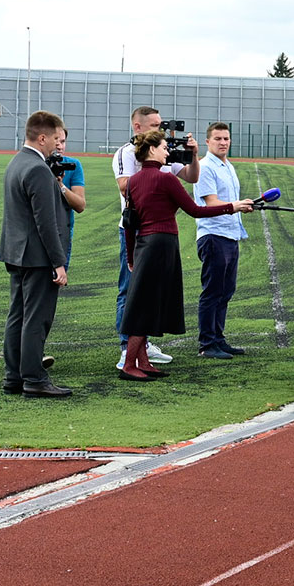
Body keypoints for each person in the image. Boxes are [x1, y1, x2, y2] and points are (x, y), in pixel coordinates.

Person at [119, 130, 251, 382]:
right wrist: (232, 206)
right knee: (145, 305)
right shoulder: (166, 179)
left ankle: (142, 361)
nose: (167, 152)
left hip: (144, 245)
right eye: (164, 147)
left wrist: (131, 256)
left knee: (145, 301)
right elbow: (195, 210)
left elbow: (129, 223)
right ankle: (129, 365)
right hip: (162, 244)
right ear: (152, 150)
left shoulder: (133, 182)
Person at [114, 106, 199, 371]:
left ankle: (143, 349)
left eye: (161, 125)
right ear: (137, 127)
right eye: (154, 126)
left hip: (157, 229)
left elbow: (191, 176)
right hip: (135, 228)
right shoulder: (127, 152)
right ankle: (127, 347)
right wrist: (153, 170)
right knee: (130, 290)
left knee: (152, 294)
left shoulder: (164, 152)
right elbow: (125, 186)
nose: (160, 130)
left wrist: (193, 155)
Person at [0, 111, 72, 398]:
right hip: (38, 256)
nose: (58, 144)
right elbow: (46, 222)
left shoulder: (16, 162)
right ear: (42, 138)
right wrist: (58, 262)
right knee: (36, 318)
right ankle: (34, 378)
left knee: (17, 315)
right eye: (55, 139)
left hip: (16, 252)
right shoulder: (39, 169)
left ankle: (14, 376)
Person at [194, 121, 255, 359]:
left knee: (226, 290)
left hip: (230, 234)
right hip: (213, 235)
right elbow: (211, 202)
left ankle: (218, 339)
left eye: (226, 139)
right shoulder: (205, 167)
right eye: (218, 139)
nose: (223, 143)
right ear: (207, 141)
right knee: (213, 291)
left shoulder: (227, 166)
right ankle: (207, 343)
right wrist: (236, 206)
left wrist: (240, 206)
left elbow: (227, 202)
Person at [53, 125, 85, 266]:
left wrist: (60, 185)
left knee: (60, 274)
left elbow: (80, 205)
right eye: (56, 141)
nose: (60, 146)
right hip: (37, 231)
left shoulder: (73, 165)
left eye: (63, 141)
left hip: (63, 231)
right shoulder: (36, 164)